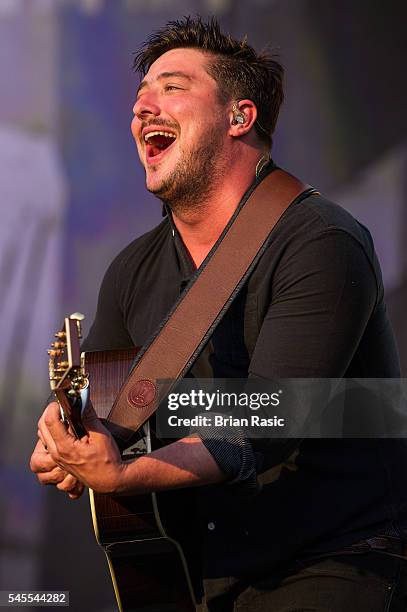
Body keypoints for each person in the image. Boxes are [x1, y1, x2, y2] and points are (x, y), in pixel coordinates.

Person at [30, 16, 407, 611]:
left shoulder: (320, 240)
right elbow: (110, 412)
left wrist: (126, 475)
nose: (142, 109)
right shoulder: (133, 269)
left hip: (333, 566)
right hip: (194, 575)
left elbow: (273, 416)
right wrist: (66, 435)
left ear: (239, 117)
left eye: (172, 88)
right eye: (138, 98)